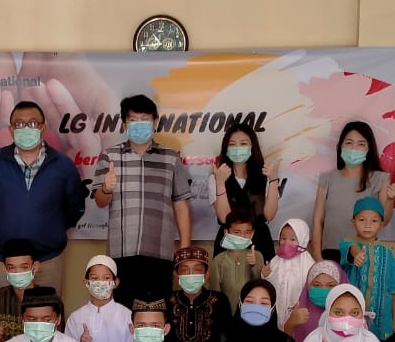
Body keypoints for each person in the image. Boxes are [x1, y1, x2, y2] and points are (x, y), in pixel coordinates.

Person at [0, 100, 87, 292]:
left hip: (47, 261)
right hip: (4, 262)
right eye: (19, 124)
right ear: (11, 130)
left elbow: (75, 208)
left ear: (43, 128)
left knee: (46, 311)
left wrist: (51, 228)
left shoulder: (63, 165)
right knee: (2, 311)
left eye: (33, 123)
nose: (26, 128)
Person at [92, 95, 192, 305]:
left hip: (160, 253)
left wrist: (185, 249)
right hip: (121, 253)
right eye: (133, 120)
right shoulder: (109, 156)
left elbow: (180, 205)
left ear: (155, 122)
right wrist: (106, 188)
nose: (139, 125)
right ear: (124, 124)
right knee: (123, 314)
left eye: (144, 119)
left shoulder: (171, 158)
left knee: (157, 314)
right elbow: (100, 201)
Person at [311, 121, 395, 263]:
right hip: (330, 254)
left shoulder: (380, 179)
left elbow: (384, 220)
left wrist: (390, 199)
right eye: (349, 143)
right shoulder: (327, 179)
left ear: (369, 149)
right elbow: (317, 220)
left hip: (363, 254)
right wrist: (317, 257)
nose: (354, 149)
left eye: (361, 144)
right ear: (340, 146)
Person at [211, 122, 277, 262]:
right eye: (232, 144)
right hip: (228, 242)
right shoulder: (216, 177)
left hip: (260, 240)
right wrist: (220, 182)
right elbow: (224, 218)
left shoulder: (265, 175)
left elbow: (269, 215)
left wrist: (273, 180)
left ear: (252, 146)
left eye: (243, 144)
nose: (237, 148)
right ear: (226, 148)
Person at [341, 196, 395, 339]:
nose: (368, 225)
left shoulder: (388, 254)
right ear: (353, 221)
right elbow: (351, 247)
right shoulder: (346, 244)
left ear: (382, 224)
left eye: (374, 221)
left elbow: (394, 291)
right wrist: (356, 253)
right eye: (362, 220)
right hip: (353, 317)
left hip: (382, 320)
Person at [65, 255, 132, 342]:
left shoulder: (127, 316)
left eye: (106, 278)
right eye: (95, 278)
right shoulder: (75, 318)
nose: (101, 283)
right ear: (86, 282)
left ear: (115, 283)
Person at [0, 239, 56, 342]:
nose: (18, 272)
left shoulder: (50, 300)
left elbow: (58, 340)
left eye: (24, 267)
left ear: (35, 267)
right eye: (11, 267)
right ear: (4, 268)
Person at [207, 211, 263, 311]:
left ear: (252, 233)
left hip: (251, 311)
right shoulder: (218, 260)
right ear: (226, 232)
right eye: (237, 232)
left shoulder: (257, 256)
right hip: (227, 312)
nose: (242, 236)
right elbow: (215, 292)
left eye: (247, 232)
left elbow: (260, 286)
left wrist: (254, 266)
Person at [266, 219, 315, 330]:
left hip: (296, 309)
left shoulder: (308, 263)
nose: (286, 243)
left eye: (292, 239)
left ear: (302, 239)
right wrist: (266, 274)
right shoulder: (276, 260)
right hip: (278, 305)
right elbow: (270, 281)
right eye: (283, 238)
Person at [285, 260, 343, 342]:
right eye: (317, 285)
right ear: (308, 286)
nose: (323, 290)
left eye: (330, 285)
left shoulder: (350, 314)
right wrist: (290, 324)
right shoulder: (298, 312)